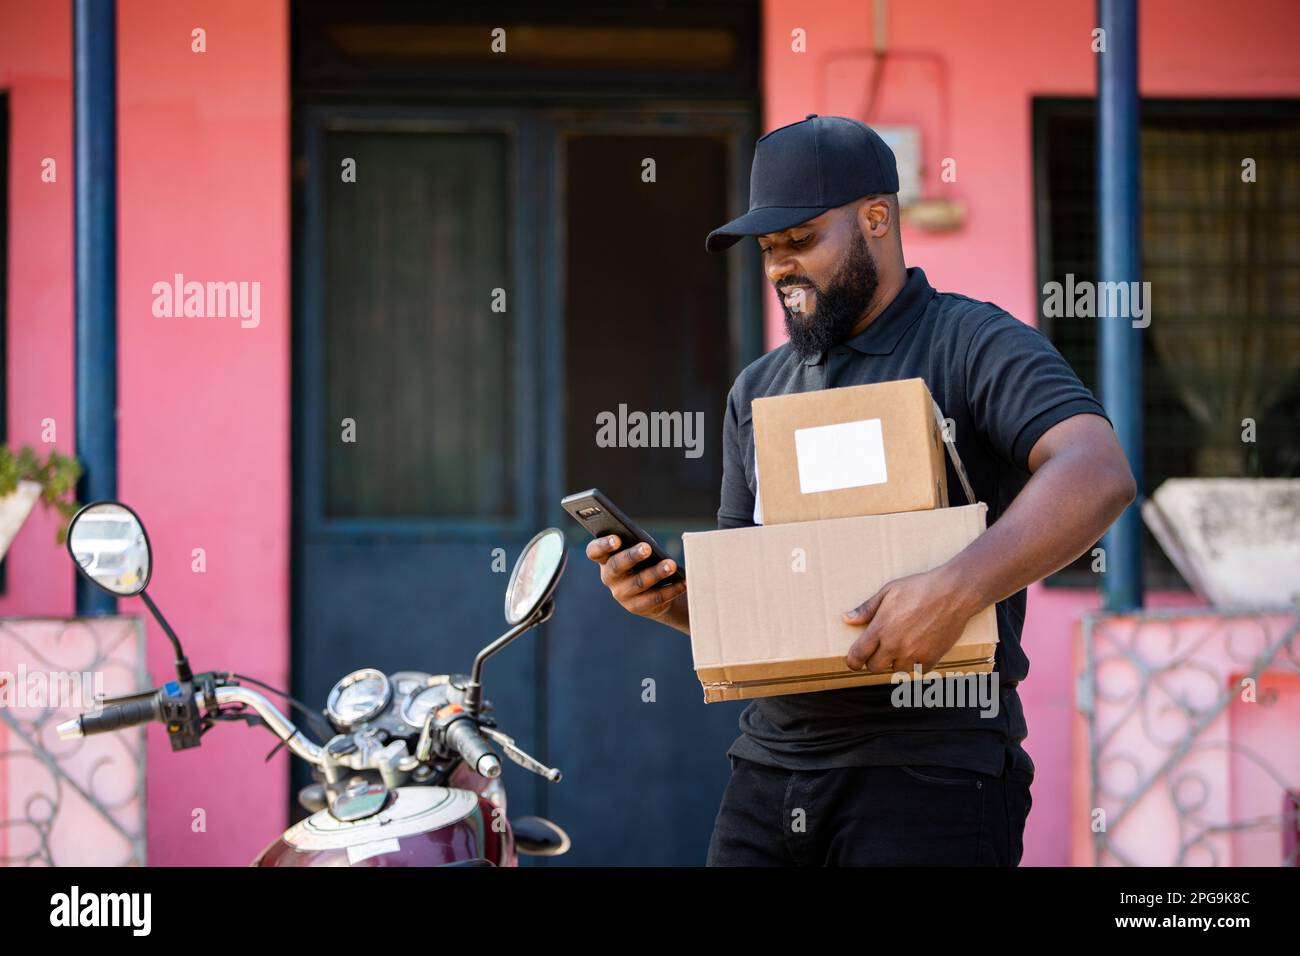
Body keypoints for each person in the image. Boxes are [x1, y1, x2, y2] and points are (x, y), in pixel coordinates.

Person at [586, 114, 1136, 866]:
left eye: (801, 239)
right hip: (770, 773)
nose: (779, 266)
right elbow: (754, 611)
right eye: (769, 249)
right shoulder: (758, 391)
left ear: (877, 218)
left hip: (933, 771)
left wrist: (954, 590)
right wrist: (668, 601)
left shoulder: (973, 343)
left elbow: (1097, 471)